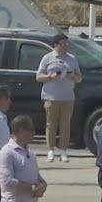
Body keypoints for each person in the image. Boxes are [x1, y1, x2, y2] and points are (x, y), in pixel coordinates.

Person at [36, 33, 82, 163]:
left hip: (67, 97)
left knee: (65, 125)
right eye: (63, 44)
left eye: (67, 44)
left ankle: (63, 151)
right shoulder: (47, 58)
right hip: (51, 97)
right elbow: (38, 77)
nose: (66, 46)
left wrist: (73, 76)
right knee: (51, 124)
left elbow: (79, 78)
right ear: (56, 45)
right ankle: (50, 151)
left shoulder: (72, 59)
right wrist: (50, 77)